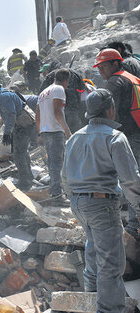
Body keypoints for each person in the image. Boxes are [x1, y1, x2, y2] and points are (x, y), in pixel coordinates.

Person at [62, 88, 140, 313]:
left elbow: (64, 177)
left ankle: (91, 299)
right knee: (111, 264)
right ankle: (108, 310)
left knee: (94, 251)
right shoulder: (115, 137)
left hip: (79, 204)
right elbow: (130, 180)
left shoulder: (75, 137)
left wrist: (76, 198)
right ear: (110, 109)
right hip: (101, 204)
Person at [94, 48, 140, 239]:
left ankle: (133, 226)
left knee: (129, 177)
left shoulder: (116, 80)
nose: (101, 71)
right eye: (99, 67)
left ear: (115, 63)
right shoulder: (131, 77)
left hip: (128, 134)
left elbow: (108, 110)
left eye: (104, 66)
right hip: (135, 131)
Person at [0, 84, 35, 190]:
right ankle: (29, 176)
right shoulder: (6, 93)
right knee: (22, 151)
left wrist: (7, 132)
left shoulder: (3, 97)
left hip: (21, 125)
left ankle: (25, 182)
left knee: (18, 154)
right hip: (24, 124)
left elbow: (11, 115)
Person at [36, 69, 71, 203]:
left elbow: (37, 116)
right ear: (66, 80)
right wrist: (67, 131)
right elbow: (58, 112)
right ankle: (57, 195)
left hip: (45, 131)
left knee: (52, 163)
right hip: (55, 131)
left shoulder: (43, 92)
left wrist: (39, 133)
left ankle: (54, 190)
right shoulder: (59, 90)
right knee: (57, 163)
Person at [39, 67, 86, 132]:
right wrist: (75, 90)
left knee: (58, 132)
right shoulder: (76, 74)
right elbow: (82, 89)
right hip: (72, 108)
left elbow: (42, 92)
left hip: (55, 110)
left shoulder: (51, 76)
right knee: (74, 132)